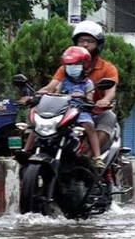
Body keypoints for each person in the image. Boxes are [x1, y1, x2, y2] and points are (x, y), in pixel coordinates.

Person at [27, 21, 119, 168]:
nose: (85, 44)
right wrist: (34, 96)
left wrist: (105, 101)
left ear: (98, 44)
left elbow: (111, 91)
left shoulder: (107, 68)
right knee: (37, 116)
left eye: (90, 41)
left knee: (109, 117)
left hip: (93, 112)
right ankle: (29, 150)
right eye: (81, 41)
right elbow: (51, 87)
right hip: (67, 113)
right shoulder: (67, 68)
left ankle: (88, 157)